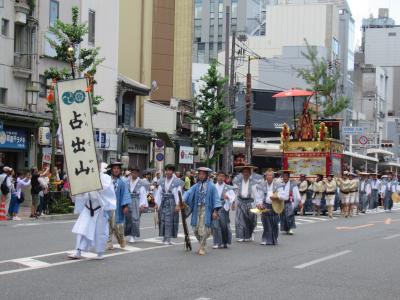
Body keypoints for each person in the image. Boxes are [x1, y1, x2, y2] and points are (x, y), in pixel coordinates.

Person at [69, 162, 117, 260]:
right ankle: (78, 251)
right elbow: (81, 192)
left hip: (99, 209)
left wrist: (94, 184)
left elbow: (106, 189)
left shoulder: (105, 178)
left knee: (100, 232)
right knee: (81, 229)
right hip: (87, 208)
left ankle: (100, 253)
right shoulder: (86, 176)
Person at [184, 167, 221, 255]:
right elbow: (188, 192)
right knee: (195, 228)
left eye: (203, 174)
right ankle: (202, 244)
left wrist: (215, 211)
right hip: (197, 209)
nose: (201, 176)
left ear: (207, 176)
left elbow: (216, 199)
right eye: (200, 174)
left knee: (204, 229)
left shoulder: (212, 186)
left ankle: (202, 247)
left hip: (206, 209)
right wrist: (182, 200)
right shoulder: (196, 186)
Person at [154, 164, 182, 245]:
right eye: (166, 170)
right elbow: (159, 193)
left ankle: (168, 238)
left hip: (171, 202)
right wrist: (157, 203)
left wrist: (178, 204)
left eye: (169, 170)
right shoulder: (162, 181)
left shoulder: (177, 181)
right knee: (162, 219)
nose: (168, 172)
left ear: (173, 172)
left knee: (169, 220)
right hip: (163, 201)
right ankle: (164, 237)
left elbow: (178, 193)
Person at [107, 161, 131, 250]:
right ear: (111, 170)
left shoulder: (123, 181)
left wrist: (125, 206)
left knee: (118, 225)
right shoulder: (107, 180)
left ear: (120, 170)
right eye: (114, 168)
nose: (116, 170)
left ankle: (121, 239)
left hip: (118, 206)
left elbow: (125, 193)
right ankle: (109, 242)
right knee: (108, 224)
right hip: (108, 206)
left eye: (118, 168)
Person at [232, 164, 259, 242]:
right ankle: (241, 236)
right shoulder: (238, 182)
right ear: (242, 173)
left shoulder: (254, 183)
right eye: (244, 172)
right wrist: (234, 202)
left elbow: (256, 194)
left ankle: (250, 234)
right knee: (239, 220)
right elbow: (235, 192)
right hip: (241, 201)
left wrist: (257, 203)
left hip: (250, 202)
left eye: (247, 172)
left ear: (250, 173)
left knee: (250, 220)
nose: (246, 173)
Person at [255, 169, 281, 245]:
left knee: (275, 223)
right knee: (265, 223)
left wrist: (277, 197)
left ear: (273, 177)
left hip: (275, 205)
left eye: (270, 175)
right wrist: (259, 204)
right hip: (265, 205)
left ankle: (274, 238)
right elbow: (258, 196)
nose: (269, 177)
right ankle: (265, 239)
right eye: (267, 175)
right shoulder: (261, 185)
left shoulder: (278, 185)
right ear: (265, 176)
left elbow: (282, 195)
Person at [211, 171, 236, 249]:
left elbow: (233, 197)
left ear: (225, 178)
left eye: (222, 176)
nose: (221, 178)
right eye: (219, 176)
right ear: (217, 177)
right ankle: (216, 242)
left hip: (224, 207)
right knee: (215, 225)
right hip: (215, 207)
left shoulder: (228, 187)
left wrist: (229, 198)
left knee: (224, 226)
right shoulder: (213, 186)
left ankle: (224, 242)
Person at [125, 166, 149, 243]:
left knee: (135, 219)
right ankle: (129, 233)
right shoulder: (127, 181)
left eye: (135, 173)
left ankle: (133, 235)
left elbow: (143, 194)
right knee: (128, 219)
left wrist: (142, 204)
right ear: (131, 173)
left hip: (137, 201)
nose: (134, 174)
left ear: (138, 173)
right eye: (132, 173)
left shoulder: (141, 182)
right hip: (128, 200)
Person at [279, 170, 300, 235]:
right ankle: (285, 228)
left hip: (289, 202)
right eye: (283, 176)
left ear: (288, 177)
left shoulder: (293, 184)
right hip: (282, 202)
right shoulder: (280, 184)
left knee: (289, 215)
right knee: (283, 216)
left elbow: (296, 193)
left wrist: (299, 201)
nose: (284, 178)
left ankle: (290, 228)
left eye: (286, 176)